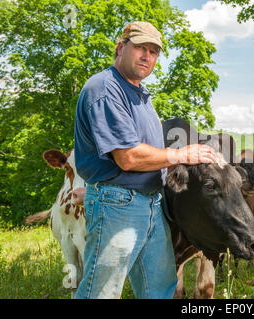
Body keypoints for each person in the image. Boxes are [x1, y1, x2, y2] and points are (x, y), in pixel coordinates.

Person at [73, 21, 217, 299]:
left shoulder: (140, 95)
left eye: (153, 52)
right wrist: (182, 154)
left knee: (160, 287)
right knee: (101, 291)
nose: (147, 57)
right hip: (119, 206)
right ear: (121, 47)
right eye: (140, 48)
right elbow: (127, 158)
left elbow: (146, 157)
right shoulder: (105, 88)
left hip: (150, 203)